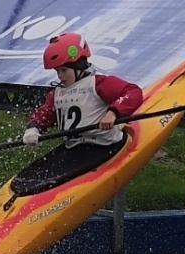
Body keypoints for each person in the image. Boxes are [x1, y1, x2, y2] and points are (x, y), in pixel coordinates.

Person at [11, 33, 144, 197]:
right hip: (74, 148)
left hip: (102, 147)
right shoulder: (57, 93)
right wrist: (34, 128)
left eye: (64, 70)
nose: (60, 76)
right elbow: (45, 113)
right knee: (33, 178)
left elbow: (132, 92)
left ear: (79, 64)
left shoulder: (98, 83)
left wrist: (113, 113)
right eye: (57, 71)